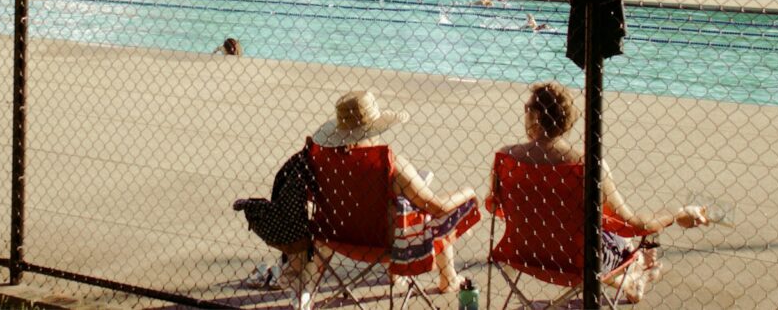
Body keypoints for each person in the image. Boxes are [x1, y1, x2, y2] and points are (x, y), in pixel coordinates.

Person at [489, 82, 708, 303]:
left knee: (603, 232)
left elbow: (495, 207)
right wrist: (678, 214)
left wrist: (541, 208)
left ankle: (635, 274)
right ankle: (635, 273)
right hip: (580, 262)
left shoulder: (506, 158)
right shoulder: (589, 166)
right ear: (567, 121)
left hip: (522, 253)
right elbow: (634, 225)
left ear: (533, 114)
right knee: (627, 234)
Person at [283, 91, 478, 298]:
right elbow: (436, 206)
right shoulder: (388, 164)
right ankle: (448, 279)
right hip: (386, 243)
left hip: (335, 236)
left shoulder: (321, 161)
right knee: (432, 212)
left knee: (391, 201)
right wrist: (468, 194)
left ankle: (398, 275)